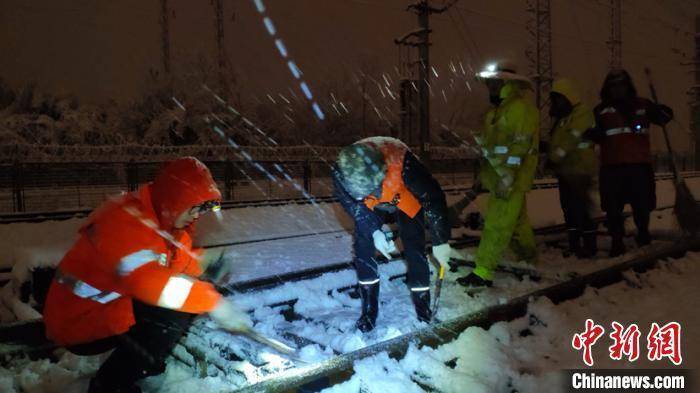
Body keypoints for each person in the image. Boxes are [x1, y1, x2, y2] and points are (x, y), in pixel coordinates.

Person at [43, 157, 251, 393]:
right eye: (194, 206)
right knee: (170, 313)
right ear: (175, 199)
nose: (197, 215)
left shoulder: (161, 218)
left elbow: (175, 259)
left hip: (102, 308)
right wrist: (213, 302)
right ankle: (109, 386)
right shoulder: (126, 221)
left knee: (178, 304)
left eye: (202, 208)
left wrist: (203, 263)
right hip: (77, 321)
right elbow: (150, 282)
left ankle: (143, 362)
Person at [333, 136, 452, 332]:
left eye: (373, 188)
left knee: (414, 246)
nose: (377, 195)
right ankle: (369, 311)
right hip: (367, 206)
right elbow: (354, 206)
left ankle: (423, 309)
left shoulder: (405, 165)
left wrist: (440, 240)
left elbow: (434, 198)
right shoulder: (341, 173)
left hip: (403, 195)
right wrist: (375, 231)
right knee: (364, 246)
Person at [457, 62, 539, 288]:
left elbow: (520, 145)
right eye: (490, 84)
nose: (491, 88)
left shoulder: (520, 109)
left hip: (509, 179)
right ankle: (529, 259)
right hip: (500, 178)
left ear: (508, 84)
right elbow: (494, 148)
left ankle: (483, 271)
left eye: (495, 84)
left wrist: (508, 175)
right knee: (517, 224)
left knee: (496, 224)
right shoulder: (496, 112)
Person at [585, 69, 673, 257]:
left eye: (621, 85)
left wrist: (664, 111)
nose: (618, 89)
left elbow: (664, 118)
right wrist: (592, 134)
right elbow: (592, 132)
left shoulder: (643, 105)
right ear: (607, 89)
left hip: (639, 166)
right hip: (612, 167)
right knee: (612, 208)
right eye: (613, 86)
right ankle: (617, 241)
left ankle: (643, 234)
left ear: (628, 86)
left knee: (642, 206)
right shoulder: (600, 110)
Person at [546, 78, 598, 258]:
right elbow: (559, 141)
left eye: (559, 98)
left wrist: (554, 157)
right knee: (569, 208)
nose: (556, 103)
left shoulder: (581, 113)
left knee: (581, 208)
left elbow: (572, 138)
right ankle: (575, 244)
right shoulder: (562, 119)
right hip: (566, 171)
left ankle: (589, 246)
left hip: (580, 169)